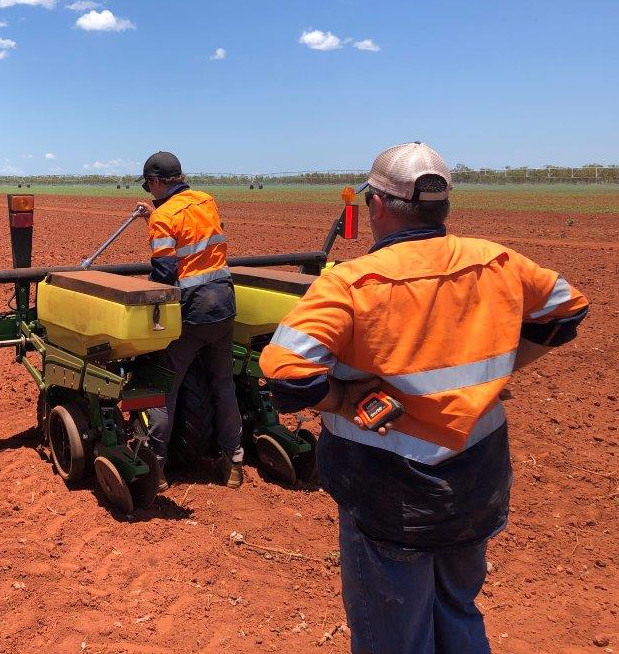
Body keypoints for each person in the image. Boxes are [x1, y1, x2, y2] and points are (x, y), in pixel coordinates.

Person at [259, 141, 589, 654]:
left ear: (377, 205)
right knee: (457, 610)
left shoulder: (351, 284)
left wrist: (344, 400)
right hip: (477, 483)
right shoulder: (495, 261)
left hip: (390, 496)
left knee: (395, 635)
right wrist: (502, 368)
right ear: (444, 206)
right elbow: (566, 311)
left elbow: (287, 377)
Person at [136, 151, 245, 489]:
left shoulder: (163, 217)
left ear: (155, 182)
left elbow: (166, 273)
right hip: (224, 304)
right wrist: (153, 216)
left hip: (193, 312)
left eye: (148, 186)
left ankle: (156, 469)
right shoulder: (206, 201)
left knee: (163, 387)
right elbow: (193, 238)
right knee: (223, 385)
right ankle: (233, 464)